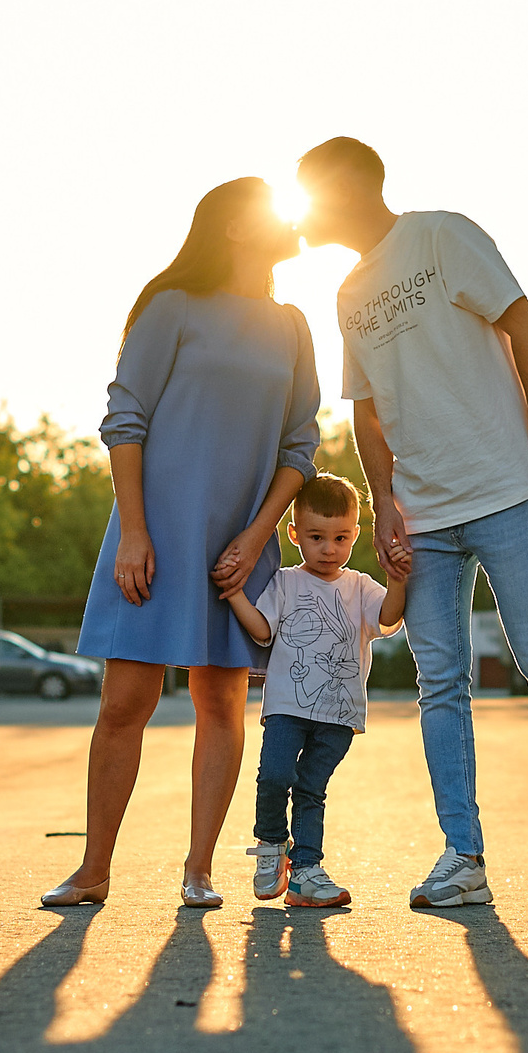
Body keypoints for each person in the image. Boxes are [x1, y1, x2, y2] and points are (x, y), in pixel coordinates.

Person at [292, 137, 528, 908]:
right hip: (425, 518)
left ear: (349, 185)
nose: (303, 209)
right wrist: (384, 504)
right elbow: (367, 412)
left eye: (311, 190)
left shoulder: (441, 235)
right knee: (440, 684)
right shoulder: (347, 294)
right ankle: (463, 855)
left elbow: (527, 326)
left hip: (504, 491)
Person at [43, 178, 319, 910]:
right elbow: (124, 419)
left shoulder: (293, 326)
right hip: (156, 537)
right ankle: (93, 869)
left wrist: (256, 538)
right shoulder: (172, 306)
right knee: (124, 702)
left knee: (221, 705)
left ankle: (199, 871)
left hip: (240, 545)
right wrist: (134, 531)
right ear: (234, 226)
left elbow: (300, 445)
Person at [221, 473, 408, 909]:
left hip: (339, 714)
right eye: (316, 537)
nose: (329, 549)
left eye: (340, 538)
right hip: (287, 708)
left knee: (310, 788)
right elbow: (262, 629)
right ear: (295, 534)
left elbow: (387, 617)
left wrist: (397, 578)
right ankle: (271, 846)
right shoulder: (285, 582)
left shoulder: (360, 586)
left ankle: (305, 871)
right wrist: (234, 595)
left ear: (355, 535)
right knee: (274, 777)